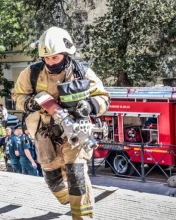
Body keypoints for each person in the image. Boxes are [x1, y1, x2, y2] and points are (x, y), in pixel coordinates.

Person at [12, 26, 110, 219]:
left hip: (74, 134)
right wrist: (29, 103)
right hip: (45, 135)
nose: (50, 62)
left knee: (77, 175)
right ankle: (69, 199)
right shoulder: (31, 73)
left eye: (55, 57)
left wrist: (89, 105)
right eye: (47, 58)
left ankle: (82, 215)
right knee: (53, 180)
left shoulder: (82, 72)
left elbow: (104, 97)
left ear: (66, 54)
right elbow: (18, 95)